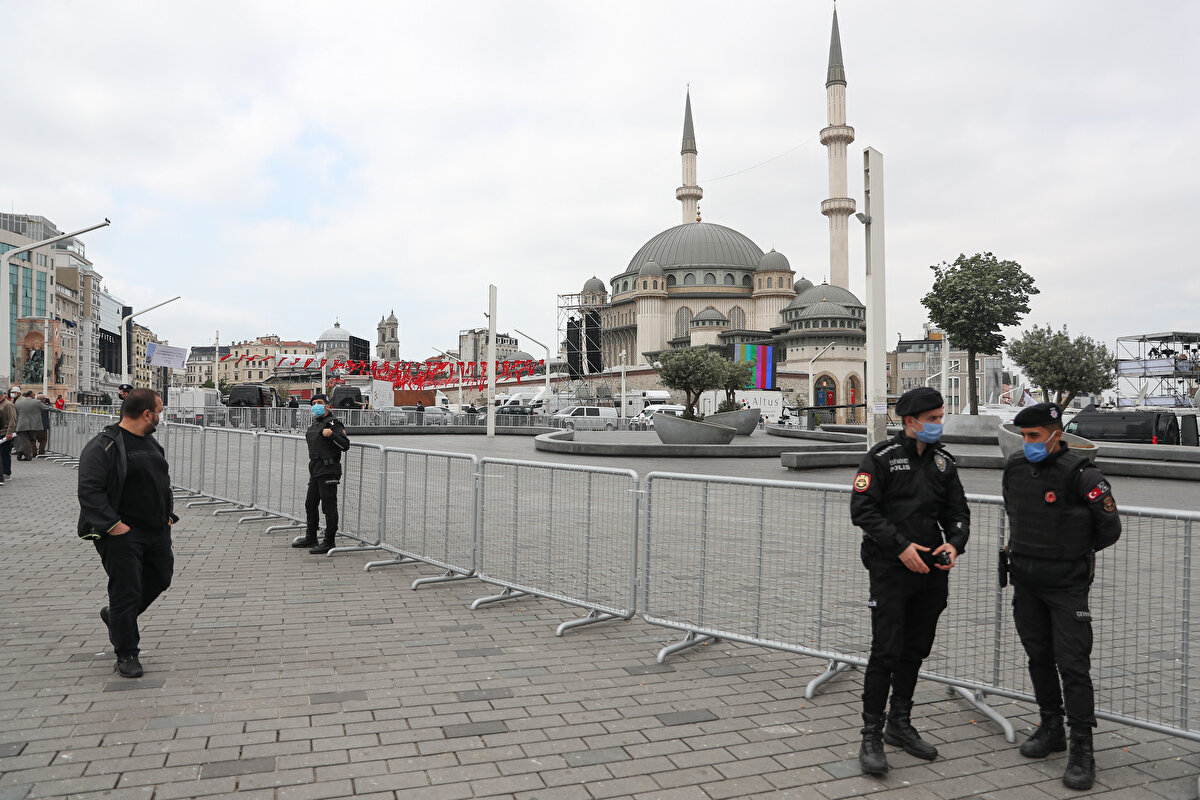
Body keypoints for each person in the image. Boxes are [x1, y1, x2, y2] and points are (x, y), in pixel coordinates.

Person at [849, 386, 970, 775]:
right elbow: (862, 510)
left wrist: (954, 543)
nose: (938, 424)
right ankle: (871, 735)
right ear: (910, 422)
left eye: (940, 417)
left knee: (915, 648)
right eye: (932, 419)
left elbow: (957, 511)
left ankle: (899, 723)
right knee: (886, 649)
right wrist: (900, 547)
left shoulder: (943, 463)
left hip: (931, 570)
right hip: (891, 567)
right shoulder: (881, 458)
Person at [1002, 402, 1121, 791]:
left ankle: (1082, 749)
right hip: (1026, 581)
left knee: (1072, 665)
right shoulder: (1016, 467)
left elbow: (1109, 529)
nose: (1028, 444)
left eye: (1034, 436)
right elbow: (1014, 513)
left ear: (1057, 433)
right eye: (1024, 437)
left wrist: (1070, 551)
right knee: (1039, 657)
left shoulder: (1084, 475)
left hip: (1066, 586)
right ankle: (1050, 727)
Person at [77, 388, 177, 679]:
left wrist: (168, 515)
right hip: (121, 533)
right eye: (159, 411)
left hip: (156, 529)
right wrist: (114, 526)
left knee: (161, 578)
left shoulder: (150, 442)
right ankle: (127, 653)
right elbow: (90, 491)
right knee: (126, 590)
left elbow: (161, 482)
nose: (161, 416)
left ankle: (116, 617)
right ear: (147, 414)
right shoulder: (104, 445)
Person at [291, 393, 350, 555]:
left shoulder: (334, 424)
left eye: (319, 402)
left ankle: (329, 541)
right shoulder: (316, 424)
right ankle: (311, 537)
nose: (316, 405)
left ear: (327, 405)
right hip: (315, 470)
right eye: (313, 403)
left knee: (328, 507)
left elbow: (345, 445)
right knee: (310, 504)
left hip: (329, 470)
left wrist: (331, 435)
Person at [14, 390, 44, 461]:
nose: (34, 396)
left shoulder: (18, 403)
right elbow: (47, 408)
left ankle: (21, 451)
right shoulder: (37, 402)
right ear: (31, 395)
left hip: (21, 424)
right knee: (31, 440)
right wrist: (58, 411)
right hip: (33, 425)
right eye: (34, 395)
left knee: (25, 440)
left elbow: (15, 413)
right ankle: (27, 456)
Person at [0, 392, 16, 485]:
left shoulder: (8, 405)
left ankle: (6, 472)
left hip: (6, 433)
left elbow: (12, 420)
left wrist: (9, 432)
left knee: (5, 453)